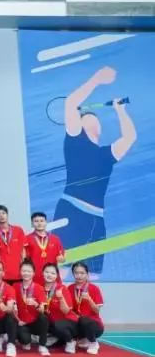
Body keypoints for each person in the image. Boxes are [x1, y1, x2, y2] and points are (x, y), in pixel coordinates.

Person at [55, 67, 136, 275]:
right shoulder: (74, 139)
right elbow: (70, 103)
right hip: (71, 212)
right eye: (85, 115)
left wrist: (120, 111)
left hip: (97, 220)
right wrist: (97, 79)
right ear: (79, 123)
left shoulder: (106, 155)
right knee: (59, 274)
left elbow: (129, 138)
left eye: (94, 116)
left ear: (100, 127)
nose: (91, 116)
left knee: (93, 277)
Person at [40, 263, 79, 354]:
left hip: (69, 322)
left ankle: (70, 341)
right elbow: (45, 307)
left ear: (57, 276)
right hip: (53, 322)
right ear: (42, 273)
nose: (49, 275)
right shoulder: (40, 289)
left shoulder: (62, 288)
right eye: (47, 272)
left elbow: (66, 311)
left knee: (58, 325)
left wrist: (61, 298)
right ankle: (58, 338)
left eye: (53, 273)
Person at [14, 260, 50, 356]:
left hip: (35, 322)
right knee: (25, 342)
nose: (26, 273)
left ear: (33, 273)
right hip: (22, 322)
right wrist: (18, 320)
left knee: (44, 318)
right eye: (24, 271)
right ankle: (28, 339)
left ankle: (42, 345)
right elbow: (12, 307)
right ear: (20, 272)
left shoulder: (39, 288)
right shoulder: (15, 286)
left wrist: (36, 304)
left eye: (29, 271)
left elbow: (45, 308)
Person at [69, 261, 104, 355]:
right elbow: (70, 310)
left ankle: (93, 343)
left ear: (87, 274)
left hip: (94, 325)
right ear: (73, 274)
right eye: (76, 273)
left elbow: (97, 310)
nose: (79, 276)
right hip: (78, 322)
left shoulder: (94, 288)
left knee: (84, 319)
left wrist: (89, 299)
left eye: (82, 273)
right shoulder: (70, 288)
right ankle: (81, 338)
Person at [24, 212, 65, 283]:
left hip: (52, 277)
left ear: (46, 222)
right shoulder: (27, 239)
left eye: (42, 221)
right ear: (32, 224)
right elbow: (24, 259)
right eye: (36, 221)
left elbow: (62, 258)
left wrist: (62, 259)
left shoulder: (55, 239)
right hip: (35, 277)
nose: (39, 223)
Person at [0, 205, 26, 283]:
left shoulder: (18, 230)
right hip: (1, 273)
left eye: (3, 213)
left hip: (17, 272)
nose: (1, 216)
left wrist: (23, 266)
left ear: (7, 214)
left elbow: (23, 250)